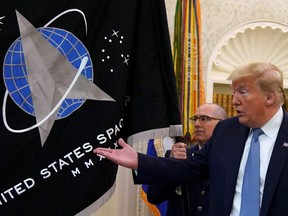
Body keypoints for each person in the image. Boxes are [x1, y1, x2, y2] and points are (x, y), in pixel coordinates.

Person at [94, 62, 288, 216]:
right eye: (233, 92)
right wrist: (139, 161)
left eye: (242, 92)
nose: (234, 100)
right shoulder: (227, 130)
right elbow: (191, 168)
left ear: (269, 97)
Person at [147, 103, 227, 216]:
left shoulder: (231, 158)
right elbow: (154, 197)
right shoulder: (178, 155)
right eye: (195, 119)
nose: (197, 124)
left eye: (204, 119)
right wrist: (171, 164)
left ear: (222, 124)